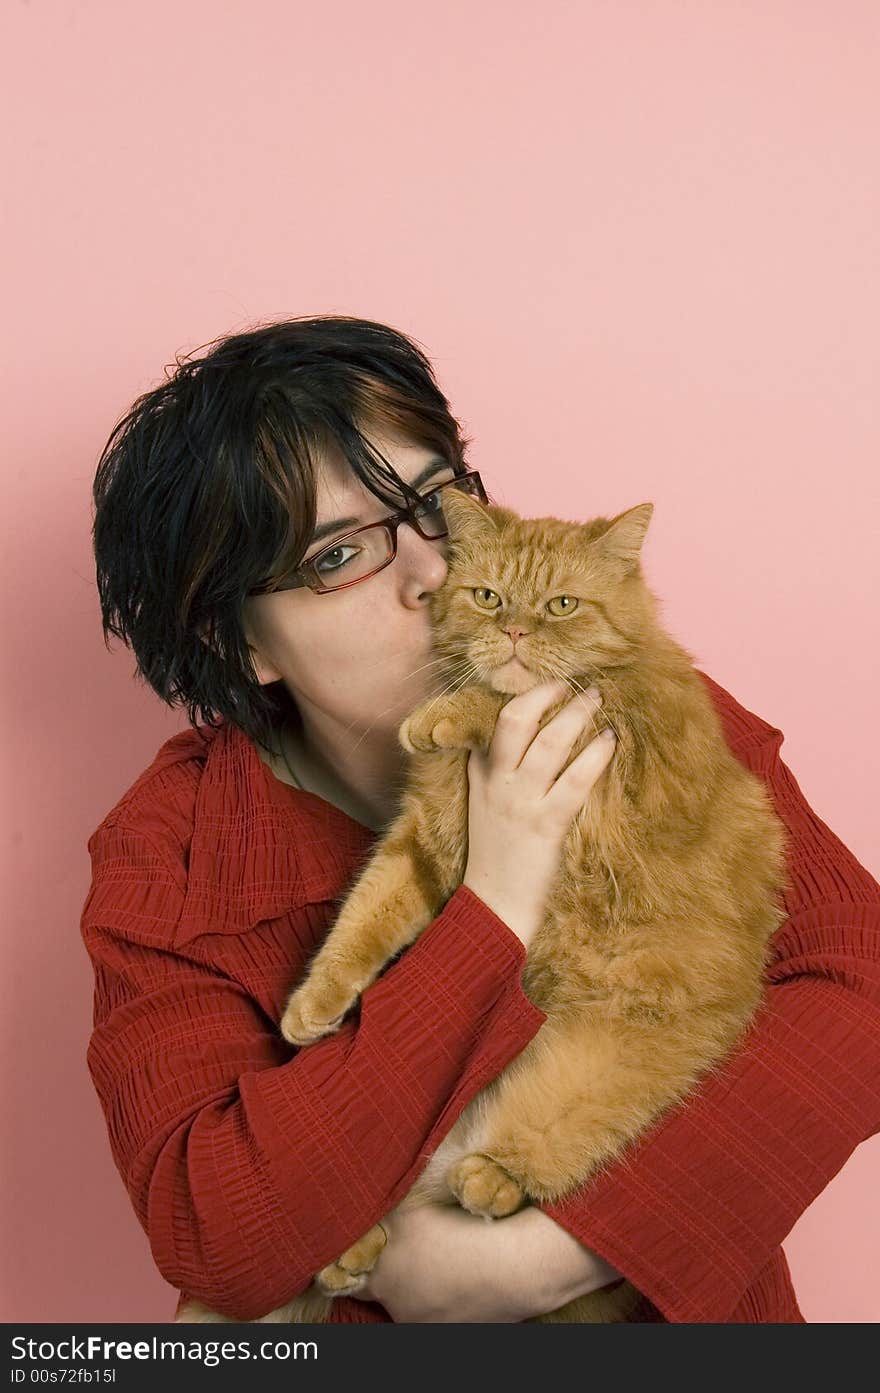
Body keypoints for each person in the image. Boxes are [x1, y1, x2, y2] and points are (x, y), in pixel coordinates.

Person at [81, 314, 880, 1324]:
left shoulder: (631, 699)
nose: (435, 573)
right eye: (337, 556)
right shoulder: (177, 852)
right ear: (240, 644)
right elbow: (220, 1232)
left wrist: (557, 1253)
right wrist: (494, 900)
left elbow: (857, 973)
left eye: (434, 506)